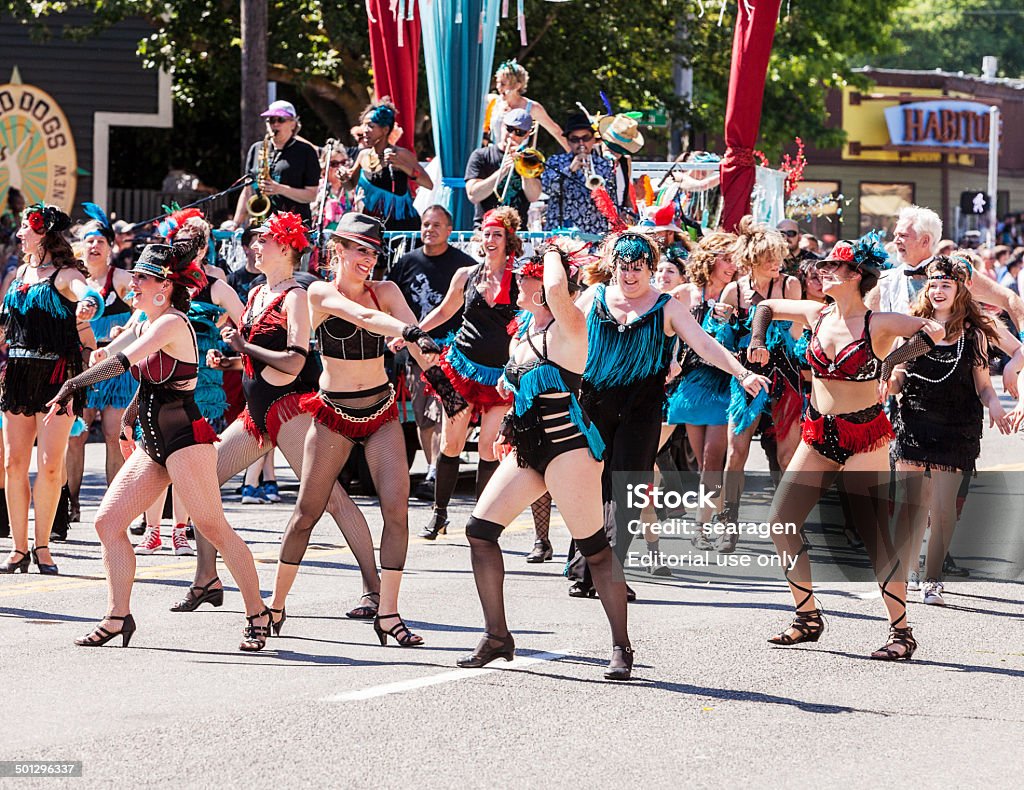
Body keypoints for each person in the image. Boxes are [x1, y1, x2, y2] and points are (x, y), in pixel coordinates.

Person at [46, 236, 272, 651]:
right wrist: (94, 357)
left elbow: (123, 361)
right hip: (155, 444)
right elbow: (117, 355)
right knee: (107, 523)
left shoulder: (171, 323)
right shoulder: (146, 319)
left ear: (163, 287)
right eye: (132, 278)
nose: (132, 285)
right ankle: (118, 617)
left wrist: (74, 384)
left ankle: (258, 611)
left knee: (212, 527)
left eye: (140, 279)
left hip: (186, 440)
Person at [747, 234, 946, 661]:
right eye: (824, 266)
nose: (823, 271)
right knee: (780, 520)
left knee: (874, 536)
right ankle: (807, 617)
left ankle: (902, 632)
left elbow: (936, 329)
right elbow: (764, 307)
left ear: (856, 275)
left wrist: (892, 361)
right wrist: (759, 340)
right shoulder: (816, 313)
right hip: (820, 432)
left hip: (864, 435)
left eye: (834, 267)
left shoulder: (878, 323)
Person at [174, 212, 382, 620]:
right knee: (201, 484)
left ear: (285, 248)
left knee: (331, 499)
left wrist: (244, 350)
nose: (254, 246)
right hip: (257, 413)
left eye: (263, 240)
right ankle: (206, 580)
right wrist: (230, 362)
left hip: (291, 412)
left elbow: (292, 361)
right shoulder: (254, 294)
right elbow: (257, 362)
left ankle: (374, 590)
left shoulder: (296, 296)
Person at [458, 241, 638, 680]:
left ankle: (621, 646)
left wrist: (553, 249)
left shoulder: (570, 323)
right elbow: (520, 390)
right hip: (528, 446)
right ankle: (497, 635)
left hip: (569, 446)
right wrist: (506, 427)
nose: (518, 280)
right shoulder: (524, 330)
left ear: (545, 287)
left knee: (595, 549)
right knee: (480, 531)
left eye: (527, 275)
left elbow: (560, 289)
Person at [565, 231, 768, 599]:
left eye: (638, 269)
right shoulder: (592, 298)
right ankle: (584, 569)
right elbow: (560, 335)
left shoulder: (666, 307)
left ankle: (609, 571)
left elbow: (705, 344)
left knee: (627, 490)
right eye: (624, 268)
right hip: (593, 406)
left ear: (650, 269)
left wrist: (742, 372)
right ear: (613, 267)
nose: (630, 276)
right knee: (590, 488)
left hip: (641, 409)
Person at [268, 213, 439, 646]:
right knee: (307, 513)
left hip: (380, 412)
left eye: (374, 250)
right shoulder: (321, 292)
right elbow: (360, 315)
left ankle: (389, 613)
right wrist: (405, 330)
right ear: (337, 250)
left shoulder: (388, 290)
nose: (369, 258)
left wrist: (434, 365)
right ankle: (274, 608)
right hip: (333, 415)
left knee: (396, 511)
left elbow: (421, 350)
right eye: (360, 249)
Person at [891, 255, 1014, 607]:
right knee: (910, 505)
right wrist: (888, 383)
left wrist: (994, 405)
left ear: (960, 290)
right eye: (933, 284)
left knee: (944, 509)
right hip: (914, 420)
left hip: (956, 426)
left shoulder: (973, 335)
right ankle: (906, 569)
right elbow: (898, 373)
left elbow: (983, 386)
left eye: (946, 284)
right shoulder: (913, 328)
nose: (938, 290)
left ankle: (932, 580)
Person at [0, 204, 102, 576]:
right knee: (13, 463)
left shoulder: (64, 275)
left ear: (43, 234)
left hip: (58, 375)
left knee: (50, 464)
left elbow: (86, 293)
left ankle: (43, 546)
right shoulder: (19, 273)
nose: (20, 234)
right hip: (18, 373)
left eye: (27, 228)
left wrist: (90, 304)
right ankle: (18, 548)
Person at [415, 207, 522, 539]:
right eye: (486, 234)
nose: (490, 240)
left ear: (509, 240)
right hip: (460, 369)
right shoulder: (466, 274)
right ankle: (439, 514)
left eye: (497, 234)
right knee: (451, 442)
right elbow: (445, 310)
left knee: (489, 447)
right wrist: (411, 331)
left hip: (500, 376)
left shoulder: (519, 279)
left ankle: (481, 519)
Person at [719, 218, 802, 547]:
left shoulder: (790, 286)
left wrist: (773, 341)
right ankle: (728, 520)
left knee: (787, 456)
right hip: (747, 378)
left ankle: (788, 521)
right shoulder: (734, 290)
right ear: (751, 258)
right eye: (768, 257)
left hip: (785, 376)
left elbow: (797, 335)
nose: (776, 264)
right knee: (736, 452)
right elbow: (722, 340)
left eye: (778, 256)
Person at [386, 205, 472, 497]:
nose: (429, 230)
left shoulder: (464, 266)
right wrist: (393, 334)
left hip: (452, 351)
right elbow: (387, 304)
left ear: (449, 230)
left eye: (437, 225)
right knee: (423, 414)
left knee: (449, 410)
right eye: (425, 224)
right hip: (415, 351)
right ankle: (433, 469)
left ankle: (442, 467)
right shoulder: (406, 263)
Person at [66, 205, 136, 523]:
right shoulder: (73, 280)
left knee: (113, 434)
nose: (94, 247)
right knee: (76, 434)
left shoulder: (120, 278)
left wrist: (128, 330)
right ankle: (71, 502)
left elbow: (145, 306)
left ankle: (113, 506)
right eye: (90, 241)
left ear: (111, 247)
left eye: (101, 242)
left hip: (116, 365)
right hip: (83, 366)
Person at [667, 233, 739, 537]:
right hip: (691, 383)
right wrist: (670, 359)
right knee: (701, 462)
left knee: (712, 457)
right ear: (710, 259)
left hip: (724, 381)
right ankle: (721, 514)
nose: (733, 265)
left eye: (736, 260)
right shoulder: (685, 293)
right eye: (727, 258)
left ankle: (701, 524)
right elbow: (667, 328)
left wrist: (734, 318)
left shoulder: (736, 293)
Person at [342, 100, 432, 231]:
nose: (364, 130)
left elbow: (428, 183)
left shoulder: (401, 154)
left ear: (385, 130)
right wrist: (344, 178)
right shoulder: (363, 155)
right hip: (371, 227)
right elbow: (350, 186)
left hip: (401, 227)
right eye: (364, 125)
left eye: (371, 126)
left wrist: (402, 165)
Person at [232, 100, 320, 227]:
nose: (275, 125)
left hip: (294, 227)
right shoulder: (257, 148)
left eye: (280, 120)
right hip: (262, 224)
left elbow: (311, 195)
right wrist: (235, 223)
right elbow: (247, 190)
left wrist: (279, 189)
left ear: (293, 123)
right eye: (271, 120)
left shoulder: (306, 152)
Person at [465, 108, 543, 230]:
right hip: (485, 230)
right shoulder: (481, 155)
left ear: (527, 134)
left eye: (519, 132)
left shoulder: (530, 159)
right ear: (502, 126)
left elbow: (533, 196)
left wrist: (523, 169)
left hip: (517, 232)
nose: (512, 135)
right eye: (509, 129)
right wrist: (501, 172)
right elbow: (473, 195)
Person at [541, 113, 614, 235]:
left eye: (585, 138)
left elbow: (610, 199)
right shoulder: (555, 162)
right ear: (568, 141)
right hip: (561, 233)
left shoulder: (605, 165)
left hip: (595, 233)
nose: (581, 143)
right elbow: (547, 189)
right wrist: (569, 171)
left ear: (593, 139)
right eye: (575, 139)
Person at [483, 59, 567, 151]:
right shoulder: (493, 101)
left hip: (517, 158)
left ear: (517, 86)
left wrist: (573, 155)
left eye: (503, 84)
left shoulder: (532, 108)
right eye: (498, 82)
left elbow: (556, 131)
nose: (498, 87)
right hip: (494, 155)